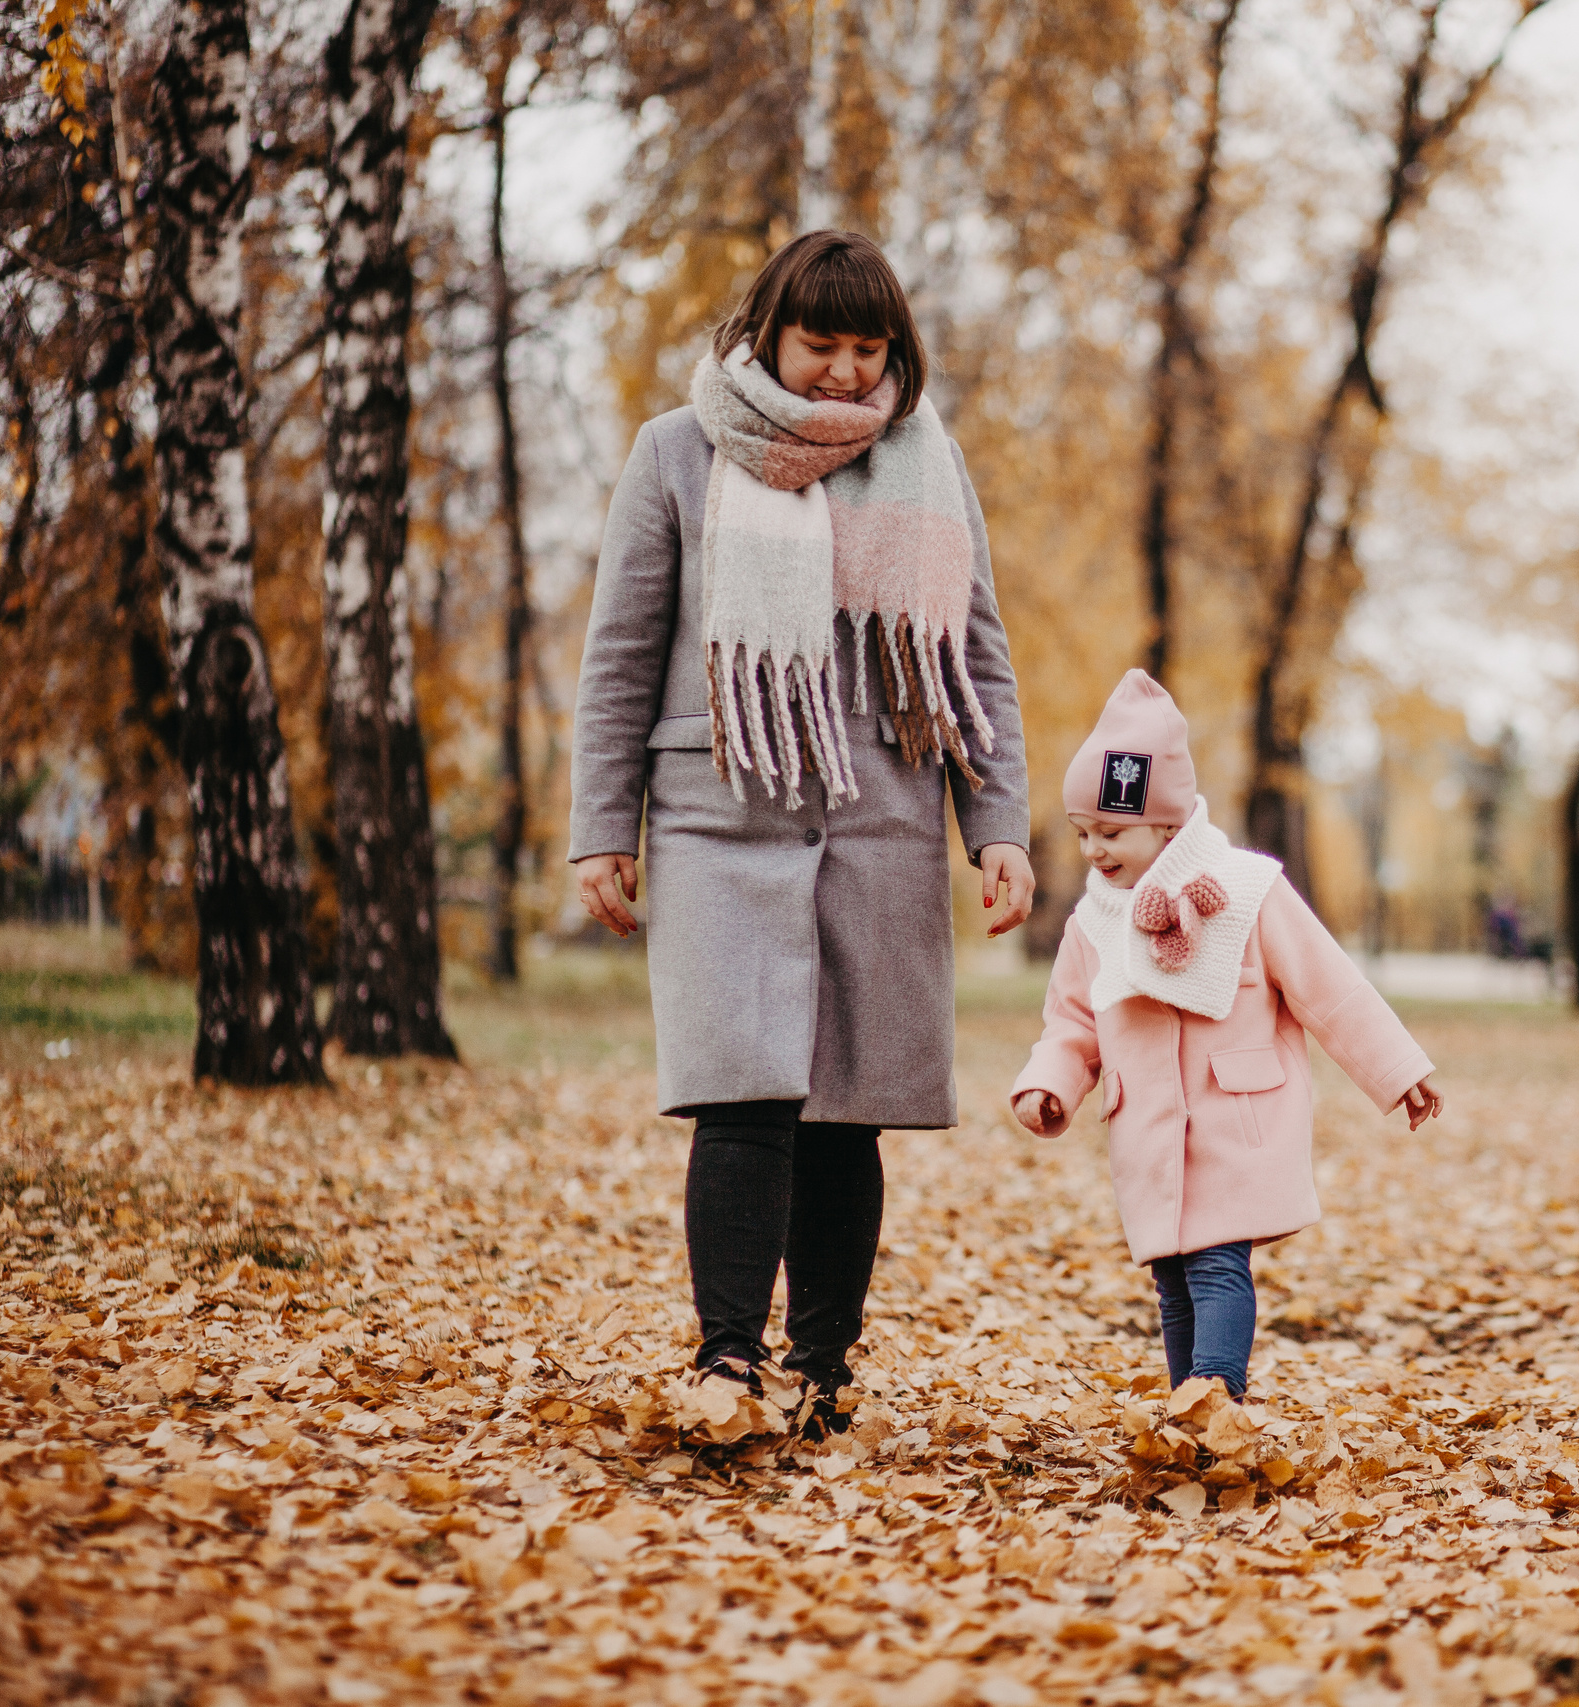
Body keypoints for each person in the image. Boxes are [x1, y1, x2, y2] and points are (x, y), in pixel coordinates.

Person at [566, 232, 1034, 1427]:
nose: (841, 370)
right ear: (767, 332)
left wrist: (998, 827)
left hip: (878, 820)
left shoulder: (926, 461)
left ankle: (823, 1369)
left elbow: (972, 657)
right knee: (742, 1094)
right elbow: (621, 654)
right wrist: (597, 825)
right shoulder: (675, 453)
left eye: (866, 347)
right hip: (721, 817)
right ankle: (728, 1361)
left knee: (845, 1110)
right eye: (819, 342)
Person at [1010, 672, 1441, 1400]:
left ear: (1167, 825)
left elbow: (1327, 986)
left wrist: (1397, 1068)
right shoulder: (1092, 923)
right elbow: (1073, 1020)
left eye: (1110, 832)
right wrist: (1050, 1079)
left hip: (1235, 1120)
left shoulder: (1247, 891)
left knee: (1216, 1264)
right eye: (1083, 832)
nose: (1092, 849)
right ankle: (1190, 1411)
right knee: (1173, 1281)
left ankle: (1214, 1400)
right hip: (1146, 1129)